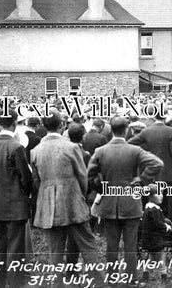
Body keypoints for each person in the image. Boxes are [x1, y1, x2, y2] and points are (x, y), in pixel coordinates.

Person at [88, 116, 163, 284]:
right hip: (131, 202)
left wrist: (101, 188)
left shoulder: (100, 151)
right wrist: (141, 181)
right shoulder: (134, 150)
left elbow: (89, 176)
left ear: (111, 130)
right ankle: (131, 279)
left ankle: (112, 278)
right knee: (131, 245)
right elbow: (157, 164)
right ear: (127, 129)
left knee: (111, 245)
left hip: (108, 203)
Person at [31, 110, 102, 285]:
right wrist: (82, 196)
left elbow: (36, 180)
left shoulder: (35, 150)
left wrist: (47, 194)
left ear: (43, 126)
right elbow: (83, 176)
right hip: (73, 201)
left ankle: (58, 284)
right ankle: (100, 283)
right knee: (88, 246)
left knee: (55, 252)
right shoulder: (72, 147)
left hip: (48, 204)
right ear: (62, 125)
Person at [0, 109, 32, 288]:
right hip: (15, 205)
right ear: (15, 123)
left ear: (0, 124)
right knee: (15, 251)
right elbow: (25, 177)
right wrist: (24, 192)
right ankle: (16, 284)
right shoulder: (16, 147)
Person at [128, 108, 172, 221]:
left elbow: (130, 143)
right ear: (165, 117)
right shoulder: (171, 131)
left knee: (156, 201)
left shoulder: (147, 131)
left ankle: (157, 226)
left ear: (154, 117)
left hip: (154, 173)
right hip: (170, 172)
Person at [141, 183, 172, 282]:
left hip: (151, 239)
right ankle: (164, 275)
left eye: (162, 194)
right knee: (160, 257)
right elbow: (158, 223)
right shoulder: (153, 210)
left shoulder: (152, 208)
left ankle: (145, 274)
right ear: (150, 196)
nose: (161, 196)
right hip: (154, 239)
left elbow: (159, 220)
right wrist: (166, 226)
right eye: (158, 194)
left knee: (152, 257)